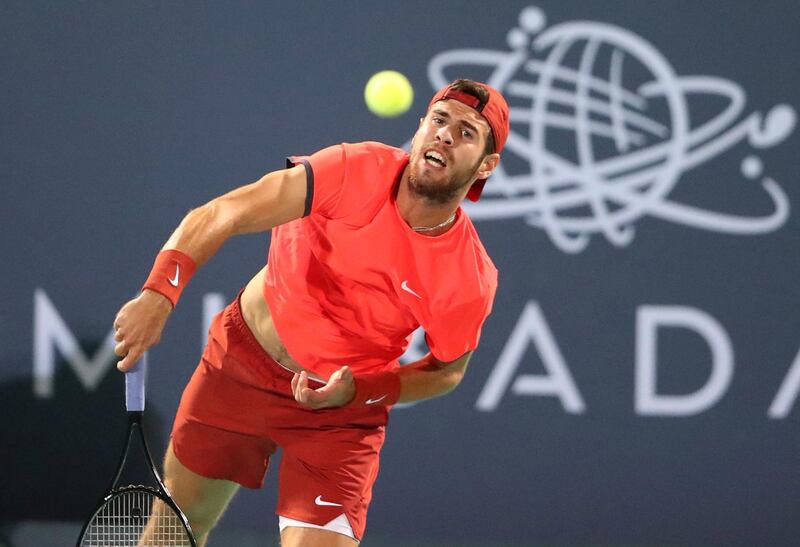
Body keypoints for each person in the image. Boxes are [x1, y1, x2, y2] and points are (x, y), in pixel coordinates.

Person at [112, 79, 509, 547]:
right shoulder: (352, 168)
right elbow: (226, 212)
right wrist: (159, 293)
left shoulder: (467, 276)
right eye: (439, 120)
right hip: (239, 366)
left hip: (338, 416)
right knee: (176, 529)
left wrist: (360, 391)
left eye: (466, 132)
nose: (445, 134)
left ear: (486, 165)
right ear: (420, 128)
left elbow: (447, 372)